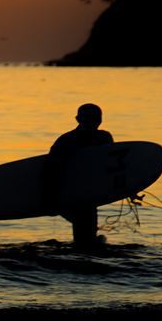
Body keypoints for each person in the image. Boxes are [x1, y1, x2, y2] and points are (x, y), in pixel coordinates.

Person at [46, 103, 114, 248]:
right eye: (89, 119)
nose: (94, 122)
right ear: (78, 119)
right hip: (71, 193)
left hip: (90, 193)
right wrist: (52, 200)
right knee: (86, 237)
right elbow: (51, 170)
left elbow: (112, 165)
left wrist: (130, 188)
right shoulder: (66, 141)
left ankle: (83, 253)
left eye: (96, 119)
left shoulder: (104, 138)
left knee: (85, 237)